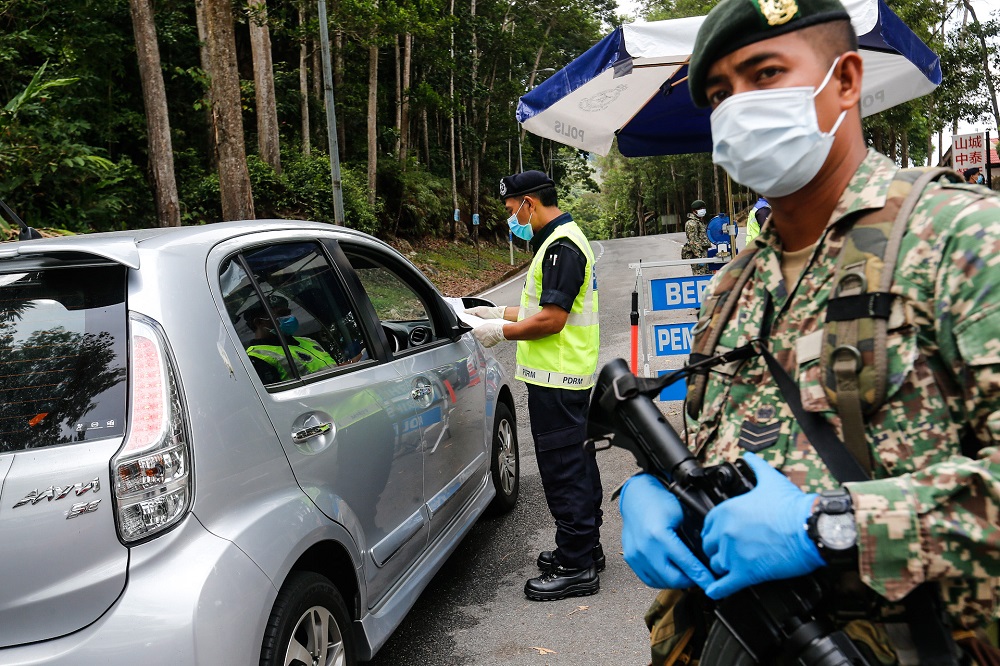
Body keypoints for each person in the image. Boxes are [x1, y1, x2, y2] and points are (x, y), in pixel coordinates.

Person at [618, 0, 1000, 663]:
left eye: (764, 73)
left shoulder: (964, 240)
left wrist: (834, 525)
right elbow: (719, 455)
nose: (738, 107)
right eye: (718, 94)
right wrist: (649, 495)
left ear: (846, 80)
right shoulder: (729, 287)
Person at [465, 170, 604, 602]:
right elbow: (534, 307)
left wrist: (497, 334)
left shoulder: (562, 247)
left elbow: (551, 319)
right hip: (563, 377)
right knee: (575, 464)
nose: (512, 220)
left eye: (512, 211)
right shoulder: (558, 242)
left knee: (564, 470)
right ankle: (584, 548)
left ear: (529, 202)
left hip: (558, 379)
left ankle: (577, 565)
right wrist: (493, 313)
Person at [243, 295, 339, 383]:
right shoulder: (256, 357)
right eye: (282, 314)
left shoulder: (308, 341)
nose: (289, 317)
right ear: (259, 322)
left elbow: (334, 371)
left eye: (288, 313)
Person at [681, 199, 712, 275]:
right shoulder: (692, 223)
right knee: (700, 277)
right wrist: (699, 256)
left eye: (703, 208)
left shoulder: (700, 222)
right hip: (698, 255)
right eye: (699, 209)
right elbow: (693, 241)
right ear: (694, 211)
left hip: (704, 253)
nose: (702, 210)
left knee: (707, 277)